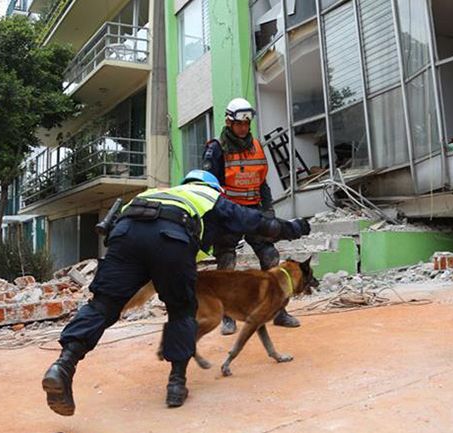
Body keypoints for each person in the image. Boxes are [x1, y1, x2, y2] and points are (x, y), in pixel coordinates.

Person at [41, 170, 311, 415]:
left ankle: (63, 365)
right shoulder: (209, 196)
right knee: (182, 310)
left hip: (126, 236)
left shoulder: (156, 192)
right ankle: (176, 384)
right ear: (215, 188)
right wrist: (295, 228)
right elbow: (258, 223)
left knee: (102, 305)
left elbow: (115, 230)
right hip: (172, 237)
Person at [202, 97, 299, 334]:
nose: (244, 128)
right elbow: (209, 187)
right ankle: (228, 315)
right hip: (229, 213)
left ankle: (279, 311)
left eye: (247, 124)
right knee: (227, 264)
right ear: (228, 122)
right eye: (239, 124)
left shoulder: (256, 146)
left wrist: (268, 211)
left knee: (271, 257)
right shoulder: (216, 149)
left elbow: (262, 183)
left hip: (254, 211)